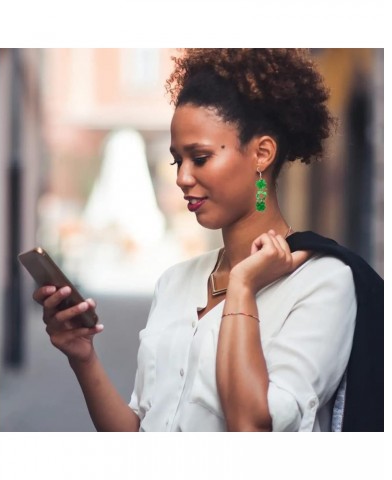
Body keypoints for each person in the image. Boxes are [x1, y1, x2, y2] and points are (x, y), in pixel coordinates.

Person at [33, 48, 383, 432]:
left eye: (199, 158)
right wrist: (82, 357)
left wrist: (243, 286)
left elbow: (252, 427)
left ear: (262, 153)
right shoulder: (174, 282)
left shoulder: (322, 283)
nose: (182, 177)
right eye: (176, 160)